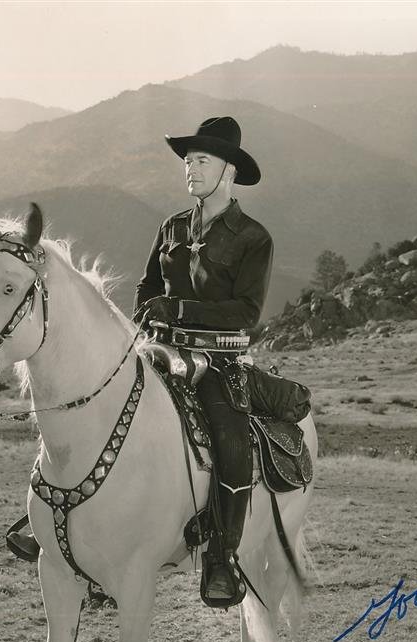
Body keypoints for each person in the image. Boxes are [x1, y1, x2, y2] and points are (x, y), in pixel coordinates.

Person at [134, 116, 273, 607]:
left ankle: (221, 557)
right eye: (188, 161)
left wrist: (181, 309)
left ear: (228, 171)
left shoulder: (253, 238)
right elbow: (148, 286)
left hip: (218, 361)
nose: (190, 169)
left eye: (202, 161)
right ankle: (61, 514)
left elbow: (247, 312)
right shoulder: (170, 226)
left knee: (231, 444)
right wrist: (146, 315)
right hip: (157, 350)